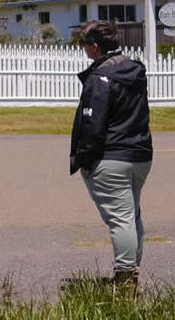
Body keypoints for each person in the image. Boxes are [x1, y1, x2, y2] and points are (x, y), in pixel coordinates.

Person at [71, 20, 152, 295]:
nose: (83, 49)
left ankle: (125, 279)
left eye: (85, 45)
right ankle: (132, 273)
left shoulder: (99, 78)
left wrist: (83, 161)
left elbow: (93, 125)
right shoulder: (135, 70)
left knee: (120, 219)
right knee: (132, 216)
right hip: (139, 154)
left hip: (111, 156)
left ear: (94, 47)